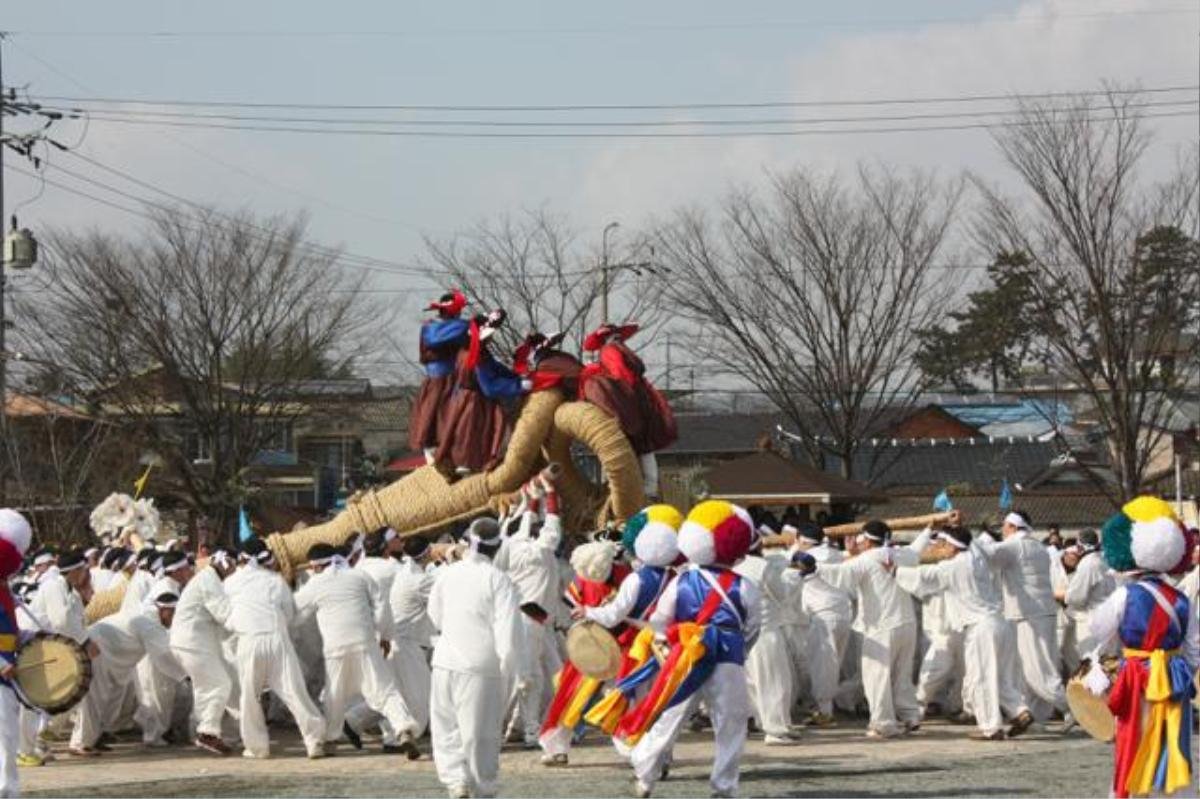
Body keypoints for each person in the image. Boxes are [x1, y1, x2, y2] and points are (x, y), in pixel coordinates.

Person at [616, 501, 760, 799]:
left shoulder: (681, 581)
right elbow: (753, 628)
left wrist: (671, 643)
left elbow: (659, 621)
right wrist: (738, 649)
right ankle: (723, 787)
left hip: (686, 656)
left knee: (671, 715)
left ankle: (645, 776)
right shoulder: (744, 586)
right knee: (730, 723)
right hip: (728, 656)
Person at [1084, 497, 1197, 798]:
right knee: (1174, 742)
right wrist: (1183, 673)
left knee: (1132, 741)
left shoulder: (1124, 596)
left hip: (1136, 676)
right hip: (1174, 677)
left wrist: (1100, 664)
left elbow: (1099, 630)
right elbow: (1194, 647)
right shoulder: (1182, 598)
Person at [427, 517, 529, 799]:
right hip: (481, 665)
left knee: (446, 729)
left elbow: (434, 614)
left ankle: (455, 781)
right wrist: (512, 671)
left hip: (445, 660)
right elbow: (507, 631)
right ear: (497, 549)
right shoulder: (498, 579)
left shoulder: (448, 572)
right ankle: (482, 788)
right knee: (480, 736)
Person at [898, 523, 1029, 741]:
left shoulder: (953, 567)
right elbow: (970, 542)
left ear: (952, 546)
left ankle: (990, 728)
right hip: (1000, 624)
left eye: (942, 544)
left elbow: (924, 576)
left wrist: (895, 570)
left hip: (981, 628)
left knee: (981, 678)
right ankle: (1019, 711)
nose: (939, 548)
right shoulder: (977, 558)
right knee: (998, 677)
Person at [294, 543, 421, 759]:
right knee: (385, 690)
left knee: (335, 696)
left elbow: (295, 612)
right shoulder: (360, 576)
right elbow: (382, 608)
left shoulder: (315, 584)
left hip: (335, 648)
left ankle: (331, 740)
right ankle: (403, 728)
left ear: (316, 566)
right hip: (364, 642)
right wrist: (386, 636)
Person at [582, 504, 683, 750]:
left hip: (636, 643)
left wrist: (587, 611)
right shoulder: (677, 577)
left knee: (632, 698)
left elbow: (614, 615)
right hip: (666, 644)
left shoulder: (635, 579)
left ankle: (634, 748)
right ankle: (662, 752)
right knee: (659, 698)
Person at [817, 520, 929, 739]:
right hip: (906, 623)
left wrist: (811, 568)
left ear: (867, 540)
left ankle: (883, 724)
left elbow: (837, 573)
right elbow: (917, 550)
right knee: (901, 674)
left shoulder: (866, 559)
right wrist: (928, 530)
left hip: (882, 627)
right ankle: (910, 716)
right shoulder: (900, 554)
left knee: (876, 676)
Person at [223, 538, 326, 760]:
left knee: (250, 696)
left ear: (241, 558)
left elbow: (227, 617)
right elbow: (289, 614)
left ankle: (257, 747)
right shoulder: (276, 580)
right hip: (277, 638)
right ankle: (314, 740)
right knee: (294, 691)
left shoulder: (230, 583)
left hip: (249, 641)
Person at [492, 476, 563, 752]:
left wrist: (532, 496)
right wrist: (551, 492)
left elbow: (525, 524)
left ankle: (534, 726)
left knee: (557, 675)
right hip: (529, 620)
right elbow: (553, 526)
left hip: (530, 621)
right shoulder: (540, 550)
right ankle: (529, 730)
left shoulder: (510, 545)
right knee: (527, 680)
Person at [975, 511, 1065, 728]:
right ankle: (1036, 719)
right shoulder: (1039, 547)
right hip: (1041, 613)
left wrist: (974, 538)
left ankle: (1081, 708)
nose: (1002, 530)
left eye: (1005, 526)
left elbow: (987, 555)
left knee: (1040, 674)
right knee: (1028, 672)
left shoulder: (1016, 546)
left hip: (1029, 616)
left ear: (1014, 527)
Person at [71, 592, 186, 757]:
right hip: (97, 651)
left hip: (107, 655)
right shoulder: (150, 624)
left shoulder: (146, 617)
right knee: (94, 700)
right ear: (165, 611)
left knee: (110, 701)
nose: (174, 619)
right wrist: (184, 675)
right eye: (173, 614)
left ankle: (94, 737)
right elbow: (163, 656)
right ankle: (80, 743)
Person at [578, 323, 677, 498]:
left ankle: (637, 490)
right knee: (643, 446)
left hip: (628, 403)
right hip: (640, 401)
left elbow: (621, 375)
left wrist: (598, 375)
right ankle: (648, 489)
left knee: (626, 445)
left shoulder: (609, 351)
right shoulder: (620, 350)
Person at [435, 310, 532, 474]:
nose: (491, 338)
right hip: (474, 405)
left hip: (460, 400)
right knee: (478, 436)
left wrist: (516, 377)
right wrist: (519, 386)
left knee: (464, 435)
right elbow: (490, 386)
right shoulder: (476, 356)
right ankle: (470, 466)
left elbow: (497, 369)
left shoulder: (469, 352)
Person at [736, 531, 803, 745]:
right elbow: (782, 593)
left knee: (752, 682)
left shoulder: (732, 566)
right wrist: (795, 574)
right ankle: (776, 729)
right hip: (766, 631)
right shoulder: (761, 566)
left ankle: (762, 721)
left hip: (742, 633)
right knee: (775, 681)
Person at [169, 547, 237, 755]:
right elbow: (224, 614)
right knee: (221, 683)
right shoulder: (210, 581)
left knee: (204, 688)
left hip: (189, 641)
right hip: (192, 641)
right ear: (228, 564)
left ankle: (200, 732)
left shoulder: (208, 579)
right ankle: (208, 733)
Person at [792, 522, 854, 727]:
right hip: (844, 616)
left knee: (822, 666)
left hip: (823, 618)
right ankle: (825, 707)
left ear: (803, 541)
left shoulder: (809, 558)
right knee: (832, 666)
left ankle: (824, 713)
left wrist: (795, 548)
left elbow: (793, 560)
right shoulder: (836, 554)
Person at [410, 290, 471, 464]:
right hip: (440, 380)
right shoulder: (433, 327)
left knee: (454, 417)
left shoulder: (456, 326)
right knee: (435, 416)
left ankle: (454, 454)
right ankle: (433, 454)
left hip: (453, 379)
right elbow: (435, 339)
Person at [0, 510, 33, 798]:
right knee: (3, 741)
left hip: (6, 677)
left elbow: (8, 631)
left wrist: (33, 638)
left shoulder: (3, 591)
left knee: (6, 741)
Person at [1064, 530, 1117, 662]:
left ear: (1080, 545)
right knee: (1107, 661)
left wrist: (1064, 595)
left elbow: (1076, 598)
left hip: (1091, 620)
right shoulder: (1104, 559)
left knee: (1091, 662)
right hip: (1109, 617)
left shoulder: (1088, 563)